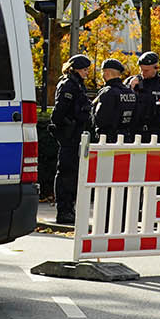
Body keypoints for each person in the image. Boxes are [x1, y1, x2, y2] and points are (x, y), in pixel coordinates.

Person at [47, 54, 93, 226]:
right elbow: (59, 112)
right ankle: (64, 211)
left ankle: (68, 209)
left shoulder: (76, 84)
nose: (87, 72)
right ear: (75, 69)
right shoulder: (68, 85)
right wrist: (67, 127)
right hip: (69, 136)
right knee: (66, 173)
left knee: (71, 173)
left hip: (74, 134)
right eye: (84, 69)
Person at [91, 59, 138, 140]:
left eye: (102, 72)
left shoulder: (108, 92)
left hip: (107, 139)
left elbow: (100, 119)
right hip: (126, 138)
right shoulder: (130, 92)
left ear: (107, 73)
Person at [131, 51, 160, 139]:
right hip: (135, 131)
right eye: (141, 70)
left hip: (157, 132)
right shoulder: (133, 82)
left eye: (146, 70)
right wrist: (130, 88)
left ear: (156, 68)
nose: (142, 73)